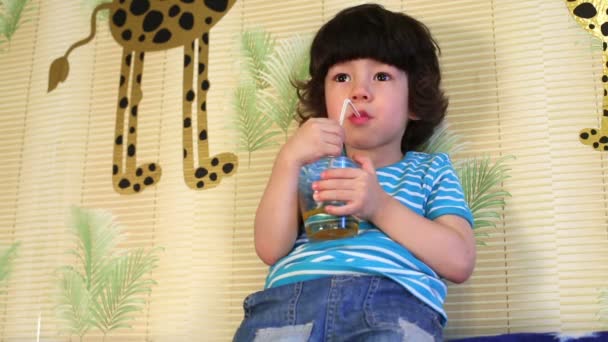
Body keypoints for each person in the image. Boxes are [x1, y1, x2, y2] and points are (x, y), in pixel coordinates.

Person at [233, 3, 475, 341]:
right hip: (287, 304)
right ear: (324, 101)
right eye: (341, 77)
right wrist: (287, 160)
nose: (358, 91)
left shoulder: (429, 171)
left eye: (381, 76)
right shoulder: (307, 167)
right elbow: (270, 248)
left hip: (391, 303)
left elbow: (459, 261)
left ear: (414, 103)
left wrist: (378, 204)